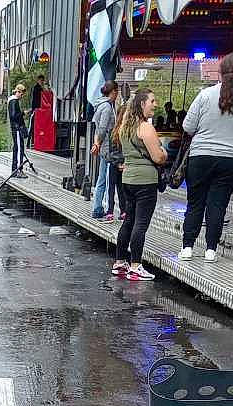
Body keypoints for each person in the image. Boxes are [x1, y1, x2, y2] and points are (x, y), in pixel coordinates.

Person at [178, 52, 233, 262]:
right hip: (231, 160)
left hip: (200, 158)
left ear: (220, 72)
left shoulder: (205, 95)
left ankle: (188, 248)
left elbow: (187, 127)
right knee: (217, 205)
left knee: (195, 203)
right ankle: (210, 251)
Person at [112, 88, 167, 280]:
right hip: (145, 181)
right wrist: (165, 153)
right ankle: (135, 265)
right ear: (142, 104)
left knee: (129, 220)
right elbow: (158, 157)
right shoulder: (146, 128)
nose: (155, 104)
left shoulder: (125, 127)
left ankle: (120, 262)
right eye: (152, 101)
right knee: (140, 224)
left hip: (128, 180)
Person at [90, 80, 125, 221]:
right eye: (117, 92)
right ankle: (100, 208)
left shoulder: (99, 105)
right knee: (105, 179)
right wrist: (97, 144)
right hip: (107, 148)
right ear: (114, 92)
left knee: (101, 177)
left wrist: (95, 142)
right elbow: (103, 128)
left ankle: (98, 207)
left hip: (103, 146)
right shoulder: (106, 107)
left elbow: (96, 126)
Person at [8, 83, 28, 175]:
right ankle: (18, 170)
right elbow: (13, 116)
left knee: (17, 148)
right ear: (18, 92)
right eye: (22, 94)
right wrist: (23, 113)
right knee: (19, 148)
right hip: (16, 128)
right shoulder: (14, 101)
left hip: (15, 128)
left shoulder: (12, 101)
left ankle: (15, 169)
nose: (22, 96)